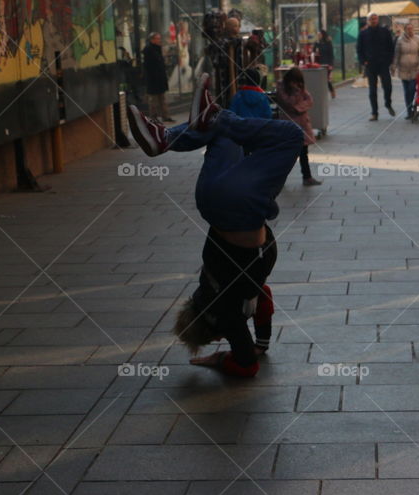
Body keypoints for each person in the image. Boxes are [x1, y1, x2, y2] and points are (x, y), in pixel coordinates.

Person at [125, 80, 304, 377]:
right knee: (226, 134)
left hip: (238, 208)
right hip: (212, 203)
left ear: (213, 331)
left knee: (291, 136)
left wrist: (224, 358)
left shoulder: (227, 311)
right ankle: (166, 137)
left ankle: (195, 125)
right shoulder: (210, 285)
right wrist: (261, 344)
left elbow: (247, 367)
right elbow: (264, 296)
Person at [277, 67, 321, 186]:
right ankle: (279, 178)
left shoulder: (299, 86)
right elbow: (288, 103)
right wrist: (295, 91)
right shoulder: (282, 86)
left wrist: (299, 107)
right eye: (295, 81)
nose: (297, 84)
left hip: (302, 123)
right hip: (289, 124)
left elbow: (309, 99)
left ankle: (307, 177)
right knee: (287, 154)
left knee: (303, 152)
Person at [357, 13, 396, 121]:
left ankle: (388, 103)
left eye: (375, 19)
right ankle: (374, 112)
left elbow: (391, 47)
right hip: (370, 65)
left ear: (377, 19)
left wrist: (389, 60)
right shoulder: (363, 33)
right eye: (371, 19)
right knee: (372, 90)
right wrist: (363, 61)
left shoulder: (385, 32)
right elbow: (359, 49)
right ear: (368, 21)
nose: (373, 21)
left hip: (383, 63)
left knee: (388, 86)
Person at [392, 23, 419, 120]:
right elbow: (397, 54)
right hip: (403, 68)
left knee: (412, 89)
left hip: (415, 68)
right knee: (406, 91)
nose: (410, 31)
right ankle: (409, 111)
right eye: (408, 29)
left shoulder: (418, 39)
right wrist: (394, 66)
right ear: (405, 30)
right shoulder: (400, 40)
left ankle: (413, 107)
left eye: (411, 29)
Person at [142, 32, 173, 123]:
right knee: (153, 100)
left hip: (160, 78)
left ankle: (165, 116)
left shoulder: (157, 49)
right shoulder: (148, 50)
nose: (159, 40)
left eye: (159, 38)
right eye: (157, 38)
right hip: (153, 79)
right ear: (152, 40)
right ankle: (154, 117)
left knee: (162, 98)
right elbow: (149, 65)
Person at [313, 30, 337, 98]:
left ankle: (332, 90)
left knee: (326, 79)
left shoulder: (328, 43)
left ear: (323, 35)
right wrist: (315, 46)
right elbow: (313, 52)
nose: (318, 36)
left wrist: (331, 65)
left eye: (319, 34)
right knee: (320, 79)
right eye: (317, 35)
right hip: (319, 63)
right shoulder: (317, 43)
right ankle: (322, 93)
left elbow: (331, 55)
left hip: (327, 63)